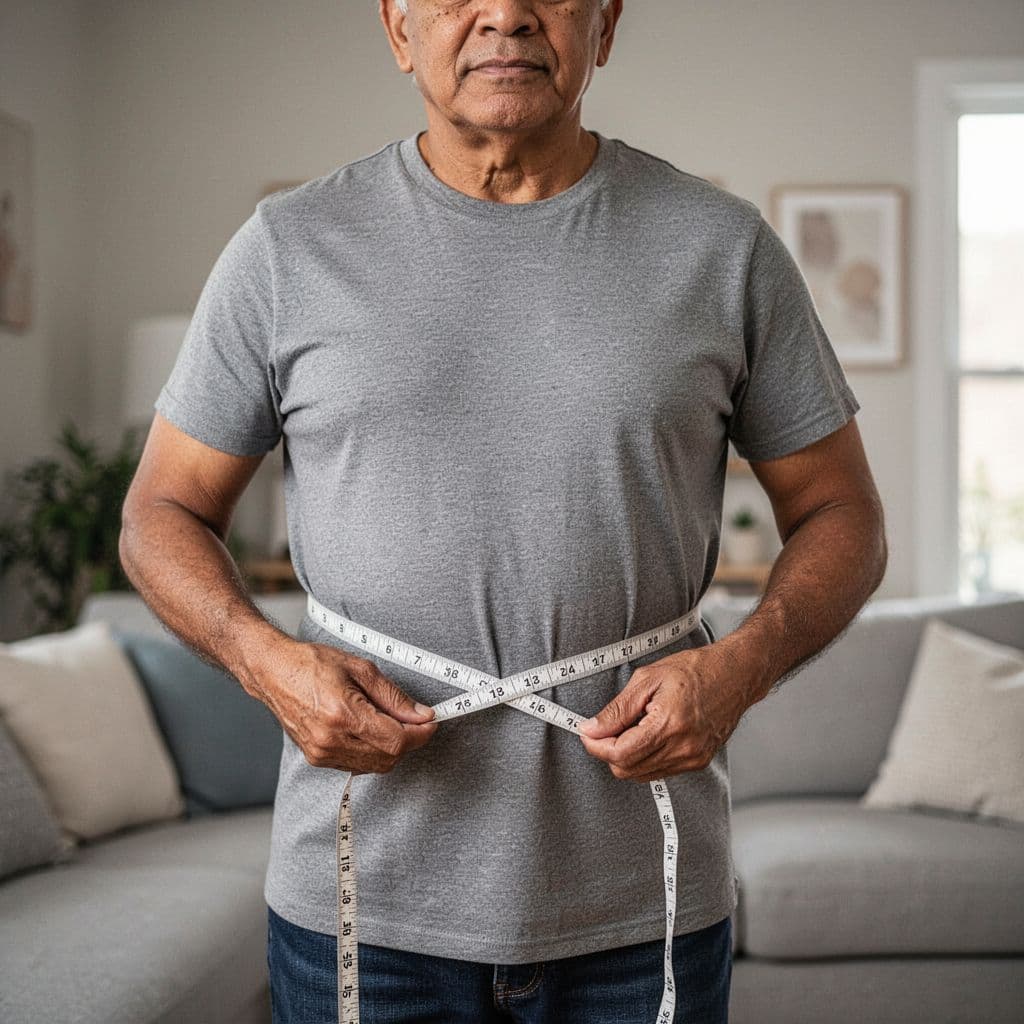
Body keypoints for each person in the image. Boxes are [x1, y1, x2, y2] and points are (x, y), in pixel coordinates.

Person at [119, 1, 888, 1021]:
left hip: (640, 898)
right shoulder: (286, 249)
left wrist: (737, 669)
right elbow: (159, 511)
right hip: (362, 894)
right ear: (397, 29)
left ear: (604, 24)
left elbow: (845, 515)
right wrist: (268, 664)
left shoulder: (721, 248)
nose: (505, 15)